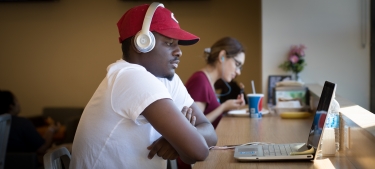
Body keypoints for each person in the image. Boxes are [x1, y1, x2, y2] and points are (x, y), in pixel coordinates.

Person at [69, 3, 217, 169]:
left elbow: (209, 133)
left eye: (177, 44)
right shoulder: (131, 77)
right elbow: (199, 152)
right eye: (169, 44)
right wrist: (184, 141)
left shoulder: (166, 79)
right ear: (141, 43)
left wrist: (178, 141)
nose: (179, 52)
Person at [185, 37, 246, 129]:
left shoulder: (208, 81)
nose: (238, 72)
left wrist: (228, 108)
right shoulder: (200, 80)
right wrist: (223, 107)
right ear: (222, 56)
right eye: (237, 64)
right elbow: (195, 126)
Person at [0, 90, 61, 166]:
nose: (19, 104)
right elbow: (41, 148)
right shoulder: (21, 123)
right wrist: (51, 130)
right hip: (23, 163)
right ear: (11, 106)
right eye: (16, 100)